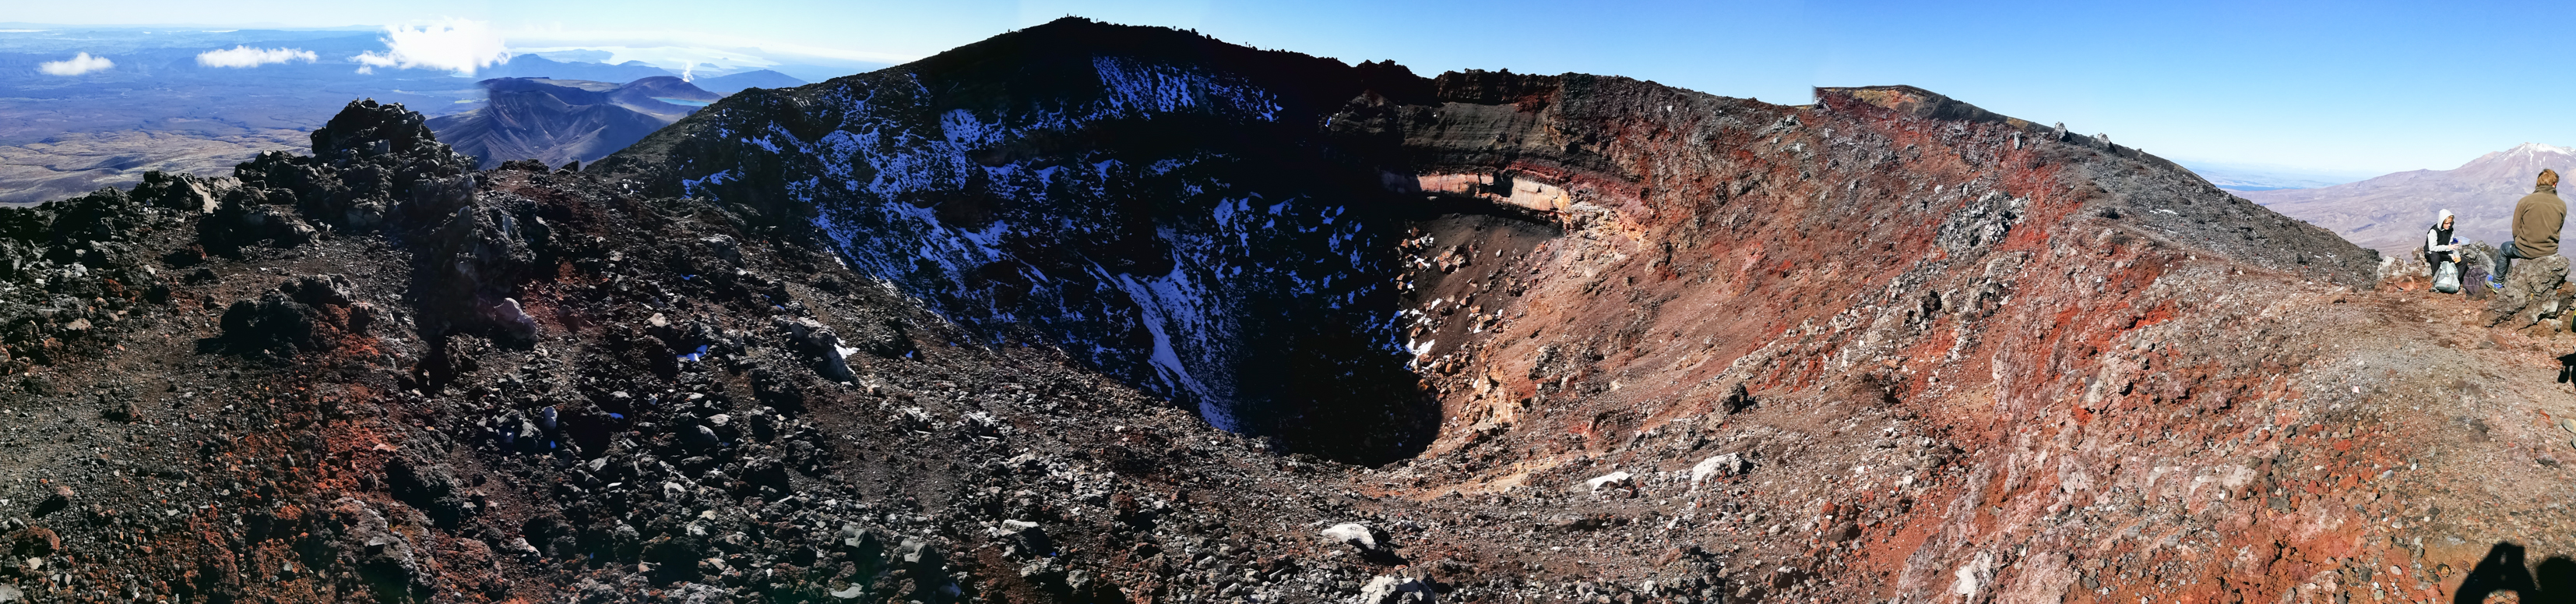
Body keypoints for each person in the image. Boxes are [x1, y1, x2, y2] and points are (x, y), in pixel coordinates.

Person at [2490, 169, 2567, 289]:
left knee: (2505, 248)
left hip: (2526, 249)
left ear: (2538, 183)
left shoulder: (2525, 201)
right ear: (2555, 184)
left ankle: (2497, 282)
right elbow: (2558, 228)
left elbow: (2516, 228)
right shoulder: (2562, 204)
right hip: (2550, 251)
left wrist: (2521, 242)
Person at [2426, 209, 2461, 274]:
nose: (2449, 225)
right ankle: (2435, 279)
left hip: (2443, 253)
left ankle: (2455, 280)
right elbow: (2432, 248)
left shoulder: (2451, 230)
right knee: (2436, 258)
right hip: (2432, 253)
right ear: (2442, 222)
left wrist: (2451, 254)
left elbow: (2449, 244)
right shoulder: (2434, 231)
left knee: (2463, 261)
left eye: (2450, 223)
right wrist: (2448, 247)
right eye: (2447, 223)